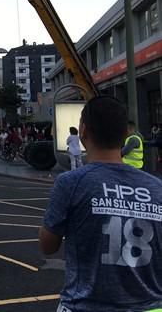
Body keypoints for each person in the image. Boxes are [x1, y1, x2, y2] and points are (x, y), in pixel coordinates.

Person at [39, 96, 162, 312]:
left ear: (84, 131)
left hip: (86, 305)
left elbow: (47, 246)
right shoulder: (157, 187)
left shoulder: (71, 182)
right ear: (125, 134)